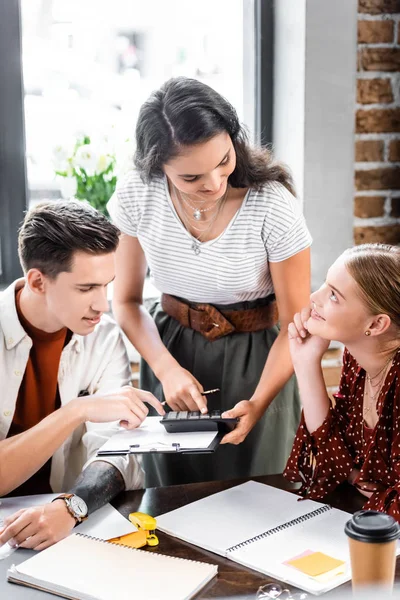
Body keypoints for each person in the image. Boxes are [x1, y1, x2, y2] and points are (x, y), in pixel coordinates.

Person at [107, 77, 312, 487]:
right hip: (170, 349)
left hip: (261, 358)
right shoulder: (137, 195)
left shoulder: (272, 204)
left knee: (259, 489)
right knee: (170, 492)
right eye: (191, 177)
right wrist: (166, 369)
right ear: (157, 166)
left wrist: (257, 402)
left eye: (224, 160)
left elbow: (296, 324)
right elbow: (126, 301)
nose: (215, 183)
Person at [0, 201, 164, 550]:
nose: (102, 305)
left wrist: (70, 507)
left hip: (68, 529)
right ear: (37, 281)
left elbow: (117, 454)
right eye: (86, 288)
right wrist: (78, 410)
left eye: (106, 286)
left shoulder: (103, 338)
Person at [284, 243, 400, 520]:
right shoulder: (356, 362)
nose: (314, 297)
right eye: (325, 285)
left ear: (375, 325)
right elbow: (335, 461)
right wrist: (306, 362)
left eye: (334, 296)